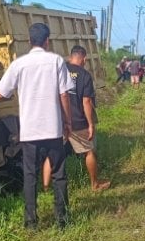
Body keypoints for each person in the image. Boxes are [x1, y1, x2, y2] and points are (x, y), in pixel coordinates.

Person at [0, 23, 73, 230]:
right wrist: (67, 122)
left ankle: (30, 222)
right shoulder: (56, 61)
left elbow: (1, 93)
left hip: (29, 132)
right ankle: (62, 221)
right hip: (53, 128)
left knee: (30, 176)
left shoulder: (19, 65)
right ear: (47, 41)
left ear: (29, 41)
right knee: (59, 175)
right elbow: (64, 94)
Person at [43, 45, 111, 192]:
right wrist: (91, 124)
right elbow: (86, 101)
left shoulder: (58, 71)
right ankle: (94, 184)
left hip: (59, 121)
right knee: (89, 151)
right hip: (78, 122)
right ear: (84, 59)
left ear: (70, 57)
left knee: (52, 153)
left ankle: (46, 187)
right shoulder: (85, 75)